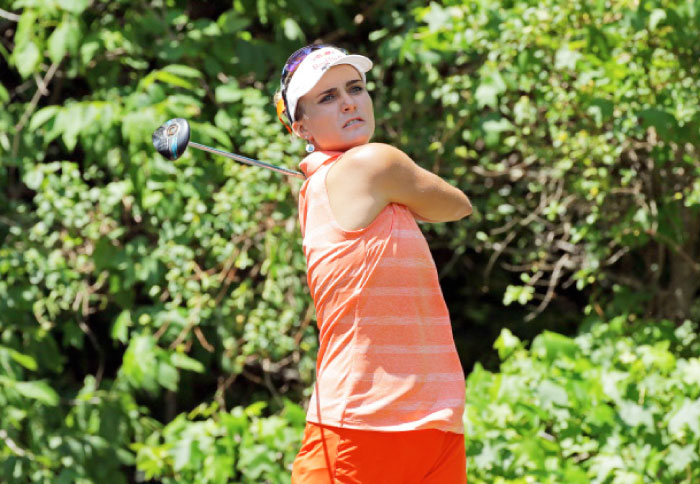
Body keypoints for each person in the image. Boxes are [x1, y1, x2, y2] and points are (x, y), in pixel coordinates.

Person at [274, 44, 472, 484]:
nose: (348, 101)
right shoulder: (373, 163)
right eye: (327, 97)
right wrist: (405, 192)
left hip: (431, 419)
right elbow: (456, 204)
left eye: (355, 88)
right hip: (360, 422)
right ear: (299, 125)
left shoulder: (336, 180)